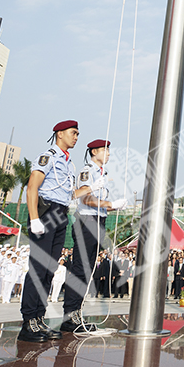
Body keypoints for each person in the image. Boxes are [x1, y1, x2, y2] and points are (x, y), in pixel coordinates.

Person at [20, 120, 79, 342]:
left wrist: (92, 188)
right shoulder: (48, 156)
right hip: (47, 213)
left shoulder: (68, 163)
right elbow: (32, 187)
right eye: (73, 133)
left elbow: (68, 193)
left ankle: (39, 318)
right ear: (60, 134)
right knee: (38, 267)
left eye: (77, 134)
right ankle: (28, 322)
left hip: (62, 213)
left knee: (49, 269)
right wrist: (35, 218)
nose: (76, 137)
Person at [60, 138, 126, 333]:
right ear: (94, 152)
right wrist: (110, 205)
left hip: (98, 221)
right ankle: (70, 316)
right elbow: (85, 198)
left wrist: (112, 207)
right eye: (105, 151)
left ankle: (76, 314)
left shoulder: (101, 173)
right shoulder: (87, 171)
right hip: (87, 221)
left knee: (87, 270)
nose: (108, 155)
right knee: (80, 269)